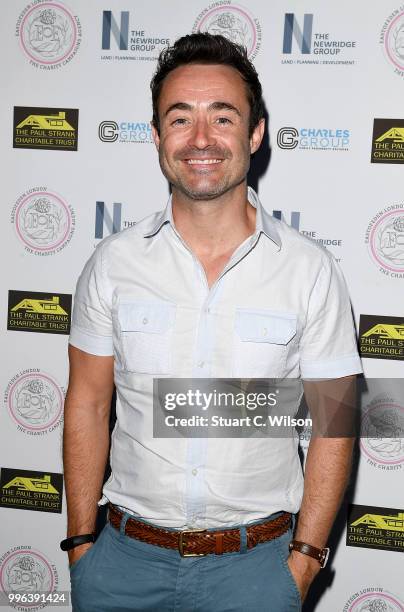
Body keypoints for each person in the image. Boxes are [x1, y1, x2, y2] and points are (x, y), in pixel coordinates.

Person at [62, 33, 362, 611]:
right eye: (180, 119)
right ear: (156, 136)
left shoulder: (310, 270)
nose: (201, 139)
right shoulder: (112, 264)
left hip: (258, 571)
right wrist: (81, 545)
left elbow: (337, 422)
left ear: (255, 132)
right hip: (120, 567)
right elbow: (88, 403)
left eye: (222, 117)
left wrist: (303, 563)